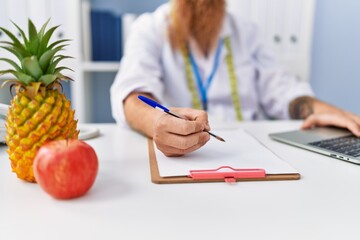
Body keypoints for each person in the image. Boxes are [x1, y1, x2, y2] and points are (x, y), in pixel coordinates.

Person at [110, 0, 360, 157]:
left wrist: (327, 112)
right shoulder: (150, 28)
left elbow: (283, 90)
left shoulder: (247, 31)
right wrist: (156, 122)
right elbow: (132, 94)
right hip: (185, 159)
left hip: (252, 153)